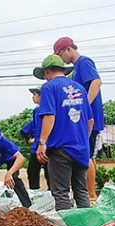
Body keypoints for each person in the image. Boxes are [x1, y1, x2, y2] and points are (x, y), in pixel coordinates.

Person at [33, 54, 93, 211]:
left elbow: (49, 116)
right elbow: (90, 121)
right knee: (81, 191)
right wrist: (82, 140)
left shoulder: (49, 87)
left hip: (61, 149)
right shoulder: (79, 88)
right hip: (81, 149)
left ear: (47, 72)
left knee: (61, 193)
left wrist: (42, 142)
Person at [54, 37, 104, 203]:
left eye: (61, 55)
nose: (62, 60)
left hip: (89, 119)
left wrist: (85, 108)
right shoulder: (76, 68)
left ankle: (91, 196)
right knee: (89, 155)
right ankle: (92, 193)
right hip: (87, 119)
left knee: (86, 156)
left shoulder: (83, 62)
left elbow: (96, 82)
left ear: (68, 49)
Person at [20, 86, 50, 190]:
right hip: (37, 146)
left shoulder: (51, 109)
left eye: (34, 94)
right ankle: (35, 195)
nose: (33, 97)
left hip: (48, 146)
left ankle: (53, 196)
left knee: (50, 173)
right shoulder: (36, 111)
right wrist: (30, 139)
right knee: (32, 172)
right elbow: (27, 129)